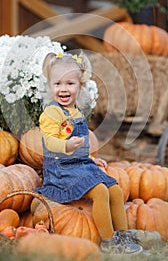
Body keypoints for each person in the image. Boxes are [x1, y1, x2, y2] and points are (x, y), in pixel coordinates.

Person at [36, 51, 142, 254]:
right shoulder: (51, 112)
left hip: (79, 165)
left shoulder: (76, 112)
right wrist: (65, 146)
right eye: (57, 83)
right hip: (61, 170)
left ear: (80, 85)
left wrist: (91, 159)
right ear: (50, 86)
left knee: (115, 190)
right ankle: (109, 241)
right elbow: (49, 141)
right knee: (101, 191)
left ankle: (123, 235)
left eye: (70, 83)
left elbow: (81, 148)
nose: (63, 89)